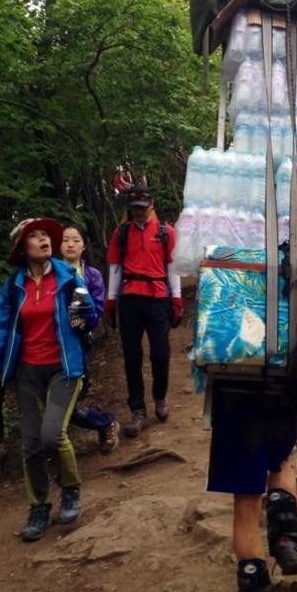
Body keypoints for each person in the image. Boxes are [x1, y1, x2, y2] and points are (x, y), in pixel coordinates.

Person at [0, 218, 95, 542]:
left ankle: (70, 490)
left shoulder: (68, 276)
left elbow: (90, 319)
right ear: (22, 247)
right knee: (30, 442)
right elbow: (1, 329)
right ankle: (39, 507)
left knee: (52, 433)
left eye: (46, 235)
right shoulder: (14, 287)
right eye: (35, 236)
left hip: (64, 367)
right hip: (28, 371)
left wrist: (87, 313)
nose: (44, 239)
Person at [207, 373, 297, 592]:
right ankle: (286, 538)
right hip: (286, 376)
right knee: (280, 461)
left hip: (235, 385)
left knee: (246, 498)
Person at [105, 185, 183, 437]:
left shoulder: (165, 232)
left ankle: (160, 397)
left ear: (152, 206)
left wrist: (177, 298)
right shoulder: (122, 233)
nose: (139, 213)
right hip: (130, 298)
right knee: (131, 357)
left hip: (158, 297)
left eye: (143, 209)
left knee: (160, 354)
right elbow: (116, 268)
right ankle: (137, 410)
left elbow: (172, 267)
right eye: (134, 209)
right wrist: (110, 300)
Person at [60, 223, 120, 453]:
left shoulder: (91, 275)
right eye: (65, 240)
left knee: (68, 400)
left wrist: (81, 315)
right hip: (50, 345)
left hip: (78, 343)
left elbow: (96, 313)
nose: (70, 244)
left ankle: (104, 422)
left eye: (75, 240)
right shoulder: (50, 274)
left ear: (83, 245)